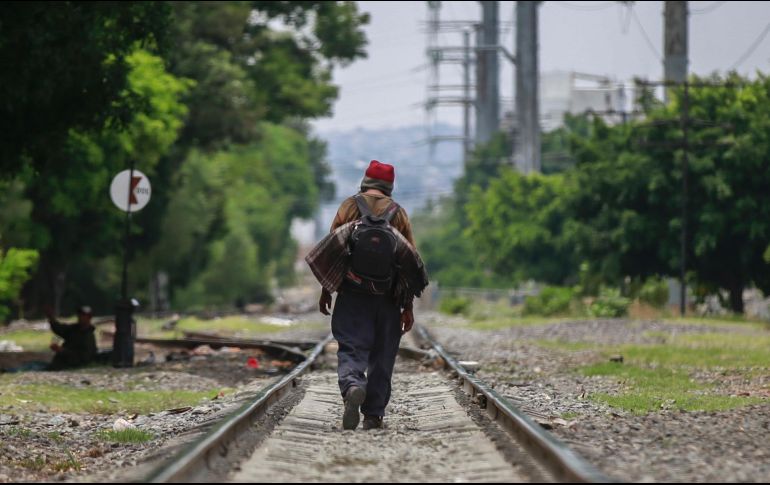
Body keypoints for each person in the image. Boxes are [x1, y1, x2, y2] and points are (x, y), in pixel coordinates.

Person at [309, 159, 428, 431]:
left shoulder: (349, 207)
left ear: (365, 182)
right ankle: (373, 415)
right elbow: (409, 263)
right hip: (387, 301)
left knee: (351, 347)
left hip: (351, 295)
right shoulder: (399, 214)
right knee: (383, 356)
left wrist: (326, 290)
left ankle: (352, 385)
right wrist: (407, 307)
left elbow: (332, 252)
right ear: (389, 186)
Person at [46, 305, 98, 370]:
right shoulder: (74, 329)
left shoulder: (89, 337)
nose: (80, 317)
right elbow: (59, 329)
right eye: (79, 315)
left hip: (72, 366)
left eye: (83, 315)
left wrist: (62, 351)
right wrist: (51, 317)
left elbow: (84, 358)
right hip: (59, 363)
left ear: (89, 318)